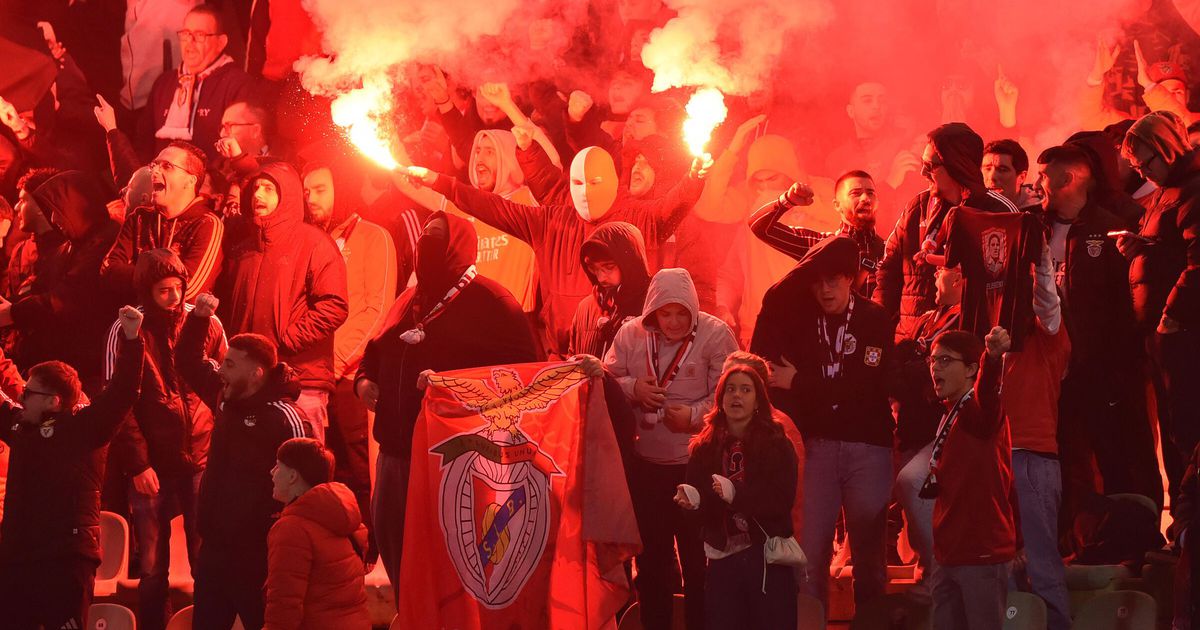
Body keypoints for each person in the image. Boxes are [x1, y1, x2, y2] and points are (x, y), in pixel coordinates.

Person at [355, 212, 537, 600]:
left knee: (447, 567)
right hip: (395, 457)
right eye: (424, 236)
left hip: (454, 462)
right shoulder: (409, 300)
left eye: (436, 237)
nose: (425, 244)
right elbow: (374, 351)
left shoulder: (494, 302)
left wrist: (455, 388)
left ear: (458, 247)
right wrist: (364, 381)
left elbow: (520, 378)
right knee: (397, 552)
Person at [402, 144, 706, 356]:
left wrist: (694, 179)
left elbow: (672, 207)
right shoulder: (550, 221)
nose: (586, 191)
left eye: (595, 181)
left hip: (625, 355)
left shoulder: (639, 218)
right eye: (578, 182)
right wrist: (440, 182)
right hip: (561, 354)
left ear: (612, 181)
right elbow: (494, 208)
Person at [750, 235, 895, 614]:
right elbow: (772, 314)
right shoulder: (801, 321)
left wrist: (799, 382)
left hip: (869, 447)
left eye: (833, 280)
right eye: (817, 282)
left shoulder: (874, 319)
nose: (825, 290)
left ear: (851, 278)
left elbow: (865, 387)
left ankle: (872, 625)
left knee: (869, 560)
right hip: (817, 447)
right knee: (809, 557)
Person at [603, 267, 738, 630]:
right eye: (666, 313)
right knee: (652, 564)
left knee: (699, 563)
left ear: (694, 308)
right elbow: (606, 379)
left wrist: (694, 416)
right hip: (646, 468)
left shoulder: (715, 335)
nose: (674, 322)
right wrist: (635, 389)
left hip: (697, 466)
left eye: (682, 313)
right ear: (653, 311)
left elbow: (735, 396)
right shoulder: (630, 334)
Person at [0, 305, 145, 630]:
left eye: (29, 393)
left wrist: (133, 339)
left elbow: (123, 392)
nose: (21, 396)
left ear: (53, 401)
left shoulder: (86, 428)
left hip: (66, 560)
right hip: (17, 557)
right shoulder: (22, 426)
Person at [1038, 143, 1162, 515]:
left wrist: (1119, 364)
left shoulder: (1111, 229)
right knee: (1066, 462)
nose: (1038, 184)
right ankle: (1076, 536)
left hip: (1104, 371)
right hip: (1054, 373)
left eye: (1044, 176)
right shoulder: (1034, 228)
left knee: (1119, 456)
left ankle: (1136, 533)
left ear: (1067, 178)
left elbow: (1127, 304)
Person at [107, 249, 227, 630]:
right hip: (152, 462)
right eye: (164, 290)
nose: (174, 297)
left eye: (178, 287)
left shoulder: (207, 322)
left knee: (206, 559)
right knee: (153, 567)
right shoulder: (127, 328)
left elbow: (225, 387)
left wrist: (221, 454)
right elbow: (118, 402)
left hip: (202, 457)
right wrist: (138, 464)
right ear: (147, 291)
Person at [176, 293, 310, 630]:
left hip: (258, 555)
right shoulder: (225, 395)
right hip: (214, 549)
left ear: (256, 373)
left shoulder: (285, 418)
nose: (221, 370)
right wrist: (199, 319)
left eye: (230, 365)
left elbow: (309, 487)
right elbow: (188, 362)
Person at [302, 158, 397, 557]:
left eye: (320, 190)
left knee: (362, 470)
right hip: (314, 376)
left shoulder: (375, 237)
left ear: (341, 190)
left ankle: (372, 548)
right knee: (325, 470)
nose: (311, 199)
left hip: (354, 375)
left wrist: (336, 361)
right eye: (306, 191)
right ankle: (335, 551)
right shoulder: (307, 241)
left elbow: (377, 309)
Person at [217, 162, 349, 443]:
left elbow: (334, 305)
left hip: (300, 381)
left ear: (286, 195)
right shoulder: (243, 249)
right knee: (251, 464)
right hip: (250, 381)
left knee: (298, 461)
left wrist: (285, 341)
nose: (258, 195)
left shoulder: (314, 243)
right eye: (255, 188)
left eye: (268, 189)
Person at [675, 361, 798, 629]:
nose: (736, 396)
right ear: (720, 399)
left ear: (758, 400)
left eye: (745, 389)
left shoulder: (778, 443)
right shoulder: (704, 447)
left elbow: (781, 500)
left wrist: (737, 496)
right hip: (723, 557)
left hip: (766, 557)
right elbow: (698, 516)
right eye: (730, 389)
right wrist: (692, 503)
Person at [1119, 111, 1200, 513]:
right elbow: (1170, 246)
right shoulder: (1164, 193)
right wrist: (1139, 247)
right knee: (1171, 430)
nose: (1142, 172)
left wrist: (1172, 314)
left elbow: (1197, 260)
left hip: (1181, 334)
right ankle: (1184, 523)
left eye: (1145, 162)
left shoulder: (1193, 191)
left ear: (1166, 147)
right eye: (1135, 167)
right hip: (1160, 331)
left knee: (1185, 429)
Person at [875, 122, 1018, 341]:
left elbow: (1011, 287)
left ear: (957, 165)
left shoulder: (998, 212)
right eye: (923, 163)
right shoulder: (917, 207)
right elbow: (888, 272)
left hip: (969, 346)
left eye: (930, 165)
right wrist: (877, 328)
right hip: (911, 342)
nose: (922, 172)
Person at [925, 328, 1015, 630]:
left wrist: (992, 358)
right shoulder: (949, 413)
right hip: (947, 554)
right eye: (933, 360)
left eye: (945, 360)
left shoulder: (980, 412)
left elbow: (987, 391)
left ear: (971, 369)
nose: (935, 368)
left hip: (980, 553)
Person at [1002, 243, 1072, 630]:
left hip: (1034, 457)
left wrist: (1039, 255)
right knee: (1003, 561)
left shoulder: (1049, 336)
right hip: (997, 458)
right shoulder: (997, 341)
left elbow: (1046, 300)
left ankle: (1057, 624)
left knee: (1042, 562)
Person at [0, 169, 121, 389]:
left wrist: (14, 313)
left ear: (74, 207)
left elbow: (67, 298)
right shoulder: (71, 246)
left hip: (84, 370)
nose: (54, 219)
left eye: (56, 211)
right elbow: (40, 289)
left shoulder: (104, 243)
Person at [892, 264, 964, 590]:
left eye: (941, 270)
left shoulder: (967, 319)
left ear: (958, 277)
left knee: (912, 482)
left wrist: (915, 371)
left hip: (944, 433)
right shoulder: (926, 319)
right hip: (912, 428)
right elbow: (896, 370)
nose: (934, 276)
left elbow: (932, 380)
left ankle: (942, 575)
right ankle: (928, 569)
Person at [101, 141, 225, 305]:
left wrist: (136, 276)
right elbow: (108, 268)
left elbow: (187, 291)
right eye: (154, 165)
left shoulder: (207, 224)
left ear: (190, 181)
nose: (155, 171)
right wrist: (163, 282)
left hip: (182, 322)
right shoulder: (140, 217)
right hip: (134, 318)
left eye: (167, 166)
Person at [265, 438, 370, 630]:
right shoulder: (344, 517)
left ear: (292, 476)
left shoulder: (291, 529)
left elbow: (284, 605)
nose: (272, 472)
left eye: (278, 466)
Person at [748, 170, 886, 299]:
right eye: (855, 193)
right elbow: (759, 227)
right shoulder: (821, 245)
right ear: (837, 205)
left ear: (878, 202)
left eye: (870, 193)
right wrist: (787, 200)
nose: (865, 198)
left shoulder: (890, 250)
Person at [147, 4, 255, 160]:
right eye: (186, 34)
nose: (190, 42)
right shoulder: (163, 83)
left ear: (221, 42)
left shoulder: (238, 84)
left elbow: (240, 149)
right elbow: (143, 143)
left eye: (199, 35)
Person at [568, 221, 650, 358]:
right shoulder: (585, 308)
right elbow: (572, 357)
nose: (600, 278)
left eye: (609, 267)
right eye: (593, 268)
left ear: (630, 262)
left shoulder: (652, 305)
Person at [982, 139, 1041, 211]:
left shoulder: (1040, 214)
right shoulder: (973, 207)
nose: (992, 177)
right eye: (987, 169)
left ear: (1021, 177)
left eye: (1002, 170)